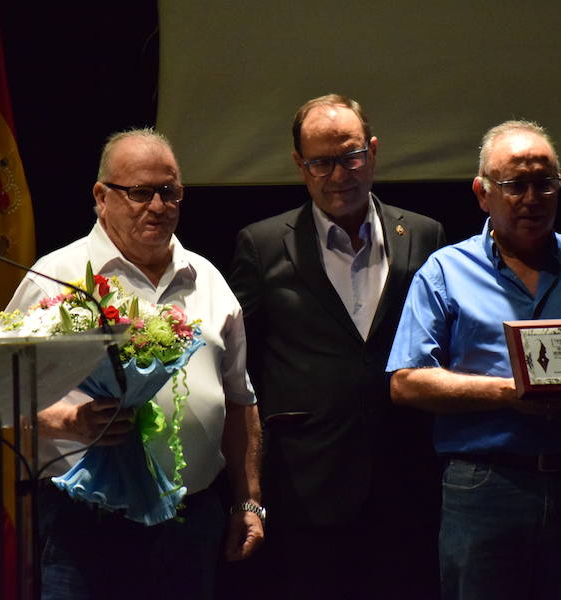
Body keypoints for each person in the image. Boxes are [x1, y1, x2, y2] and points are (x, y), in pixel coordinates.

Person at [386, 120, 561, 600]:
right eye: (515, 185)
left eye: (545, 183)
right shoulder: (445, 272)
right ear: (482, 193)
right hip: (486, 485)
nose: (532, 198)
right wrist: (506, 392)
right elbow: (406, 383)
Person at [0, 128, 263, 599]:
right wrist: (62, 420)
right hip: (86, 527)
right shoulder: (54, 278)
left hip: (190, 521)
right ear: (101, 197)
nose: (159, 206)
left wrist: (249, 500)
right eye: (141, 193)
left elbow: (240, 401)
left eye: (170, 191)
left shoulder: (209, 279)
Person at [227, 94, 445, 599]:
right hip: (306, 484)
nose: (339, 174)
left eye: (350, 156)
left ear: (372, 151)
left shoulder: (424, 235)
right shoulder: (261, 245)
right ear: (300, 166)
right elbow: (237, 366)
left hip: (408, 475)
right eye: (321, 163)